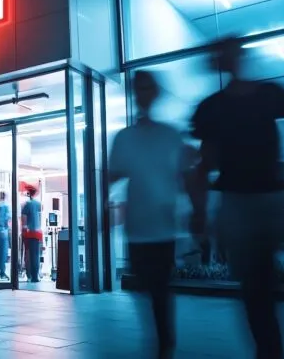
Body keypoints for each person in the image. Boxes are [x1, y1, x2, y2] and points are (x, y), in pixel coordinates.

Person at [190, 39, 284, 359]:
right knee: (257, 284)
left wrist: (200, 212)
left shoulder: (249, 98)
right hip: (248, 201)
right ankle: (269, 347)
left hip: (256, 200)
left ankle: (268, 347)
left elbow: (205, 164)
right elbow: (205, 162)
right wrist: (199, 211)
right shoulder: (218, 106)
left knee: (257, 284)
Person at [109, 70, 191, 359]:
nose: (143, 94)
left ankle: (164, 342)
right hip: (138, 225)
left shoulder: (170, 136)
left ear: (154, 94)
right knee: (148, 287)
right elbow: (113, 176)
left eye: (147, 88)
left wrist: (193, 213)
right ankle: (161, 339)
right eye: (139, 89)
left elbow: (185, 177)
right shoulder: (125, 138)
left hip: (163, 225)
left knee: (158, 287)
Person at [20, 184, 43, 283]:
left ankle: (30, 276)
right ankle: (35, 276)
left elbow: (24, 219)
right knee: (36, 255)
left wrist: (24, 229)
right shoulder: (38, 204)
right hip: (37, 233)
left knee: (28, 255)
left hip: (29, 233)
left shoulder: (26, 205)